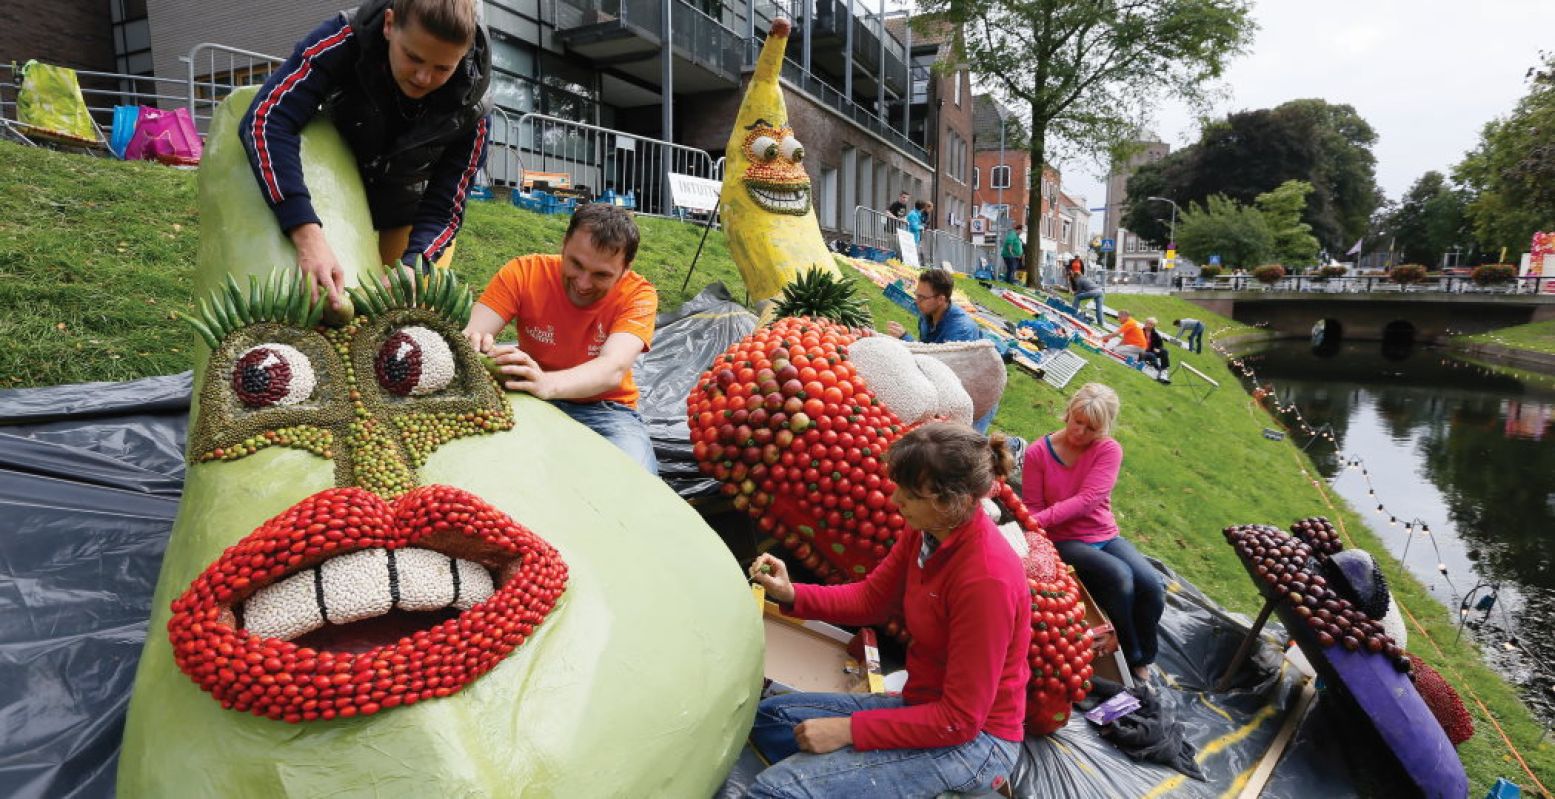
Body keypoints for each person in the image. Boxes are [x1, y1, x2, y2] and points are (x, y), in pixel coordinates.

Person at [746, 423, 1030, 798]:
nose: (895, 499)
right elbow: (870, 600)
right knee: (772, 721)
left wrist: (849, 731)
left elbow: (959, 721)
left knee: (777, 791)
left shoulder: (985, 581)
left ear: (948, 502)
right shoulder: (927, 531)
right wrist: (791, 593)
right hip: (925, 705)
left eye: (909, 494)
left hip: (976, 743)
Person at [241, 0, 492, 304]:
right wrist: (305, 231)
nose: (423, 78)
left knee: (398, 309)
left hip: (407, 209)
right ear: (389, 24)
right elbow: (267, 119)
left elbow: (446, 206)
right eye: (413, 57)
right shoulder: (340, 39)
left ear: (463, 55)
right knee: (317, 301)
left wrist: (416, 263)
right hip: (332, 193)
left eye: (443, 68)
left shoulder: (474, 110)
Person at [463, 204, 660, 474]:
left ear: (625, 269)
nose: (583, 283)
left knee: (637, 483)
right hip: (526, 399)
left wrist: (547, 383)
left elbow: (612, 368)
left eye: (601, 274)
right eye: (575, 264)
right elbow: (473, 334)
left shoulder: (639, 295)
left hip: (606, 411)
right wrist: (477, 345)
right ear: (564, 244)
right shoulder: (523, 272)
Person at [1020, 383, 1162, 683]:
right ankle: (1129, 652)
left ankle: (1147, 654)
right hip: (1063, 538)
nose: (1080, 432)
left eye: (1091, 428)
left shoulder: (1108, 449)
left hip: (1104, 534)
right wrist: (1036, 525)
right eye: (1077, 421)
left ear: (1105, 427)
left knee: (1151, 585)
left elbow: (1089, 500)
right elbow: (1032, 505)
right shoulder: (1037, 453)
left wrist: (1037, 519)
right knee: (1120, 577)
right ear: (1068, 411)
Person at [886, 269, 997, 433]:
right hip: (947, 386)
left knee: (964, 443)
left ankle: (1013, 446)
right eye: (917, 294)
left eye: (922, 297)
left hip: (975, 393)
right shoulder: (927, 315)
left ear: (941, 299)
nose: (916, 301)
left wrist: (906, 339)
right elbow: (928, 353)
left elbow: (942, 366)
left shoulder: (961, 329)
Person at [1140, 317, 1171, 383]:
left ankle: (1164, 371)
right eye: (1147, 323)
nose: (1148, 325)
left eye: (1151, 324)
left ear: (1153, 326)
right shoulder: (1140, 331)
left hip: (1151, 352)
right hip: (1142, 352)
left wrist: (1158, 349)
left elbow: (1160, 346)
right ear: (1145, 323)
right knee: (1151, 356)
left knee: (1165, 351)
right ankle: (1156, 366)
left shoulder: (1156, 335)